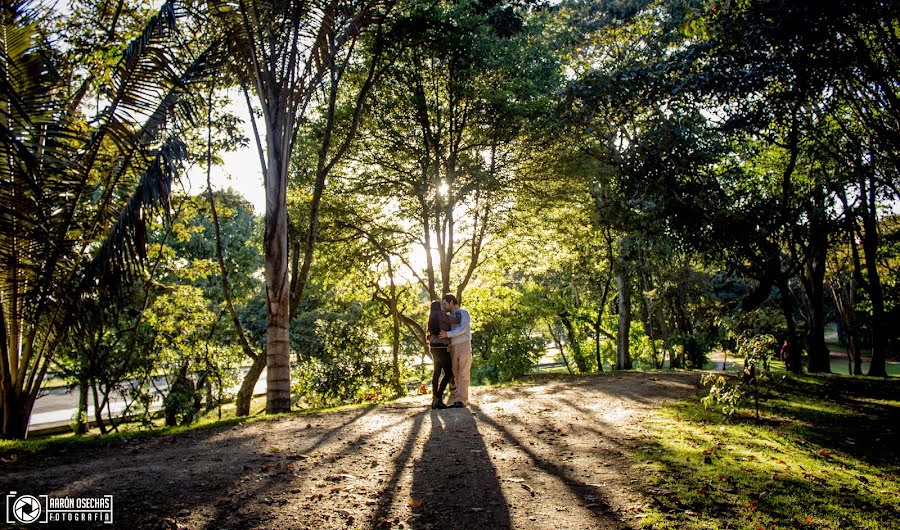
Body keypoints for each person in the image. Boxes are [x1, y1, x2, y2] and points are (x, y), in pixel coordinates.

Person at [439, 294, 471, 408]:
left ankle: (462, 400)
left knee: (464, 372)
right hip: (452, 347)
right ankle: (458, 399)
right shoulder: (447, 317)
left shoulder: (464, 313)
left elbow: (463, 328)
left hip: (464, 345)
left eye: (445, 303)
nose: (444, 306)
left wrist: (448, 334)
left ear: (452, 302)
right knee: (456, 373)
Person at [427, 300, 454, 409]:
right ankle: (438, 397)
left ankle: (434, 399)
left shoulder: (431, 318)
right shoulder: (441, 316)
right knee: (449, 372)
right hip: (442, 348)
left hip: (433, 348)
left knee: (437, 373)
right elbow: (451, 325)